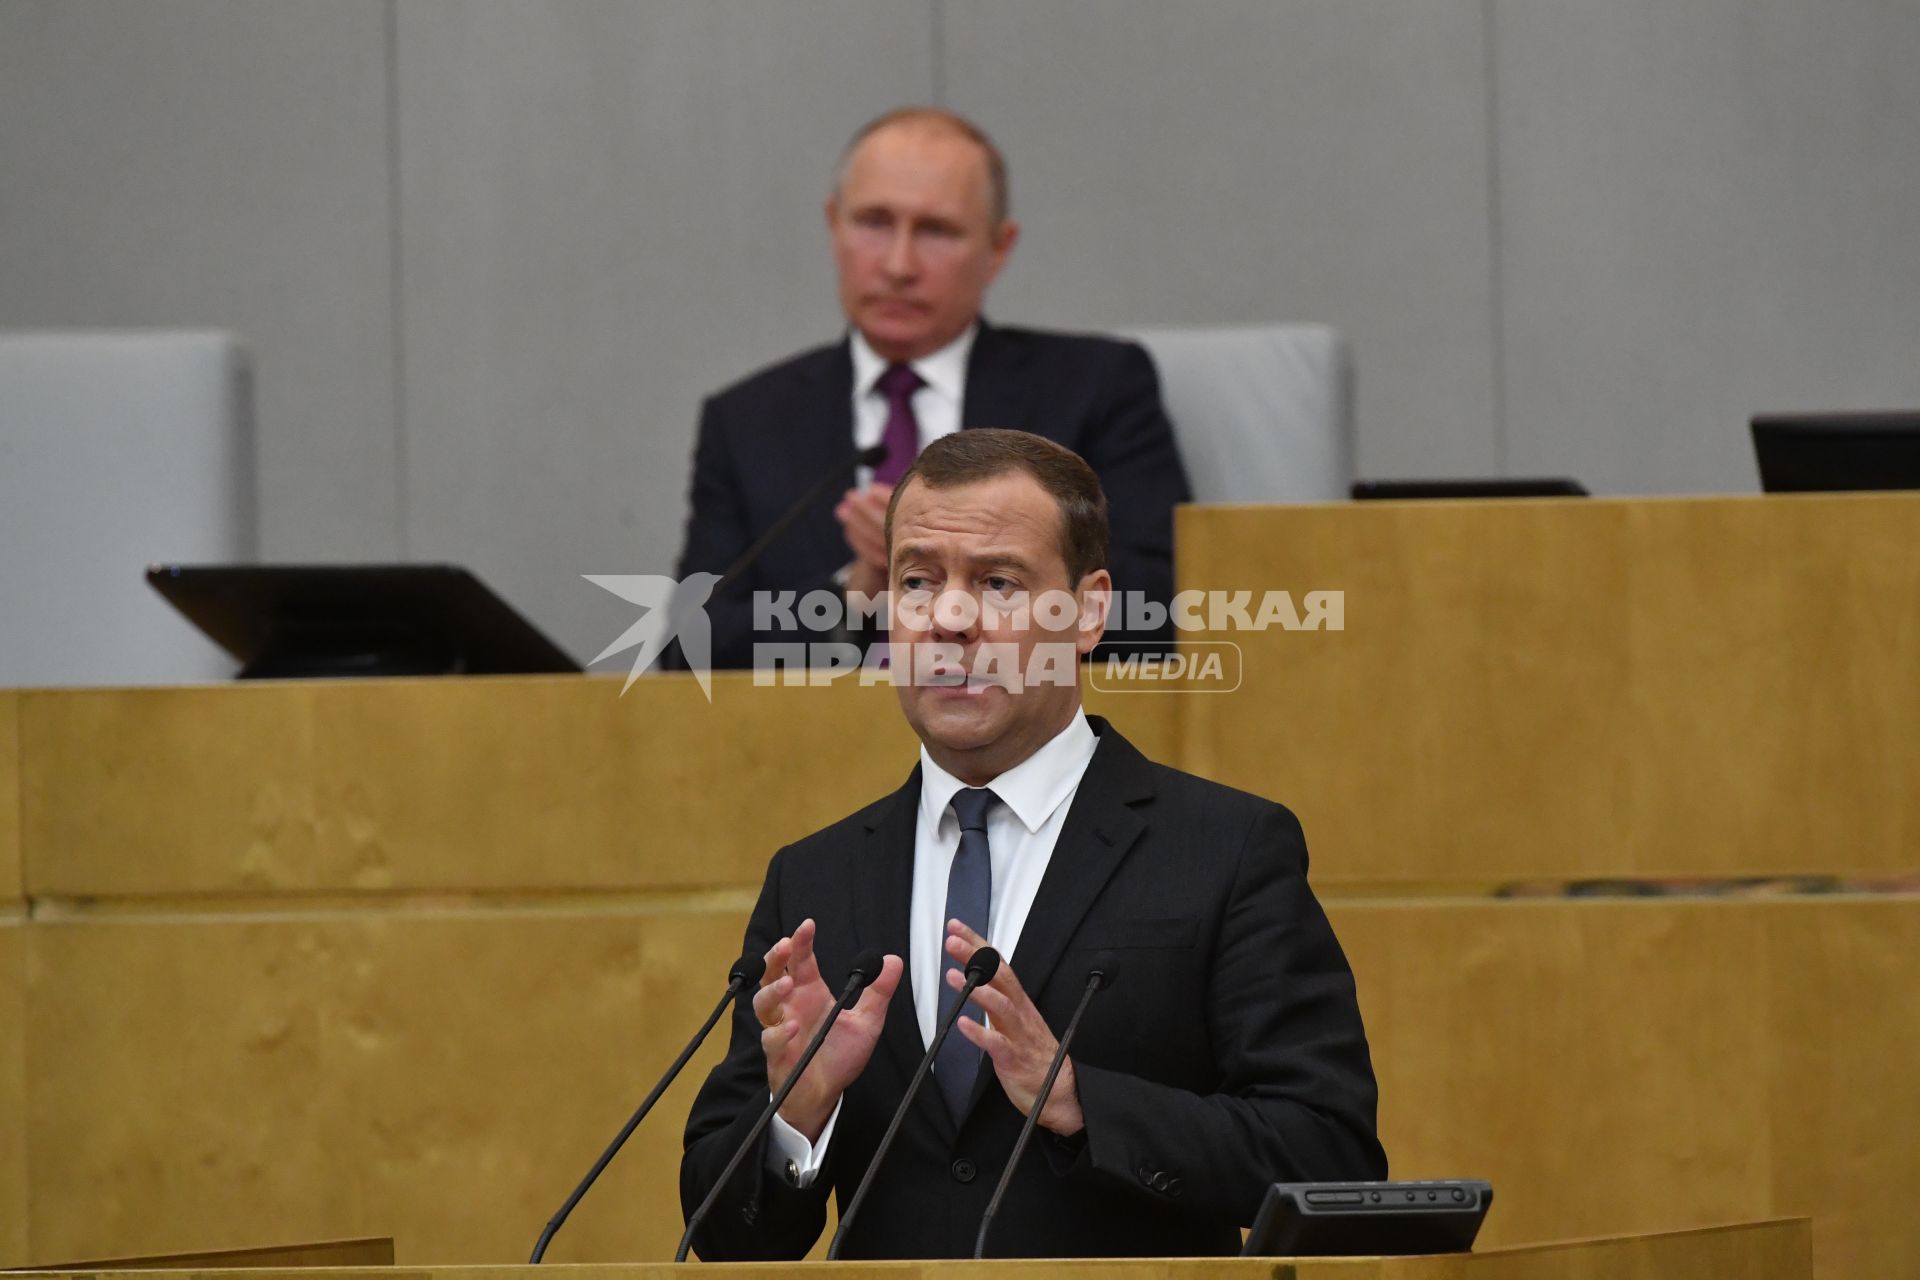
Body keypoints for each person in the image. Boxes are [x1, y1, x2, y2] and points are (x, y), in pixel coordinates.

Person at [679, 430, 1385, 1260]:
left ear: (1087, 613)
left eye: (998, 584)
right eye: (916, 582)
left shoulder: (1225, 850)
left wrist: (1080, 1099)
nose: (948, 619)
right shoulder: (816, 878)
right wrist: (800, 1110)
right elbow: (724, 1238)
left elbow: (1328, 1155)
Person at [672, 107, 1190, 669]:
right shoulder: (750, 420)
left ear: (999, 248)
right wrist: (858, 591)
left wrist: (973, 567)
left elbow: (1167, 610)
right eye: (873, 222)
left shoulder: (1095, 386)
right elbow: (688, 653)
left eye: (936, 231)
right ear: (833, 227)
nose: (898, 264)